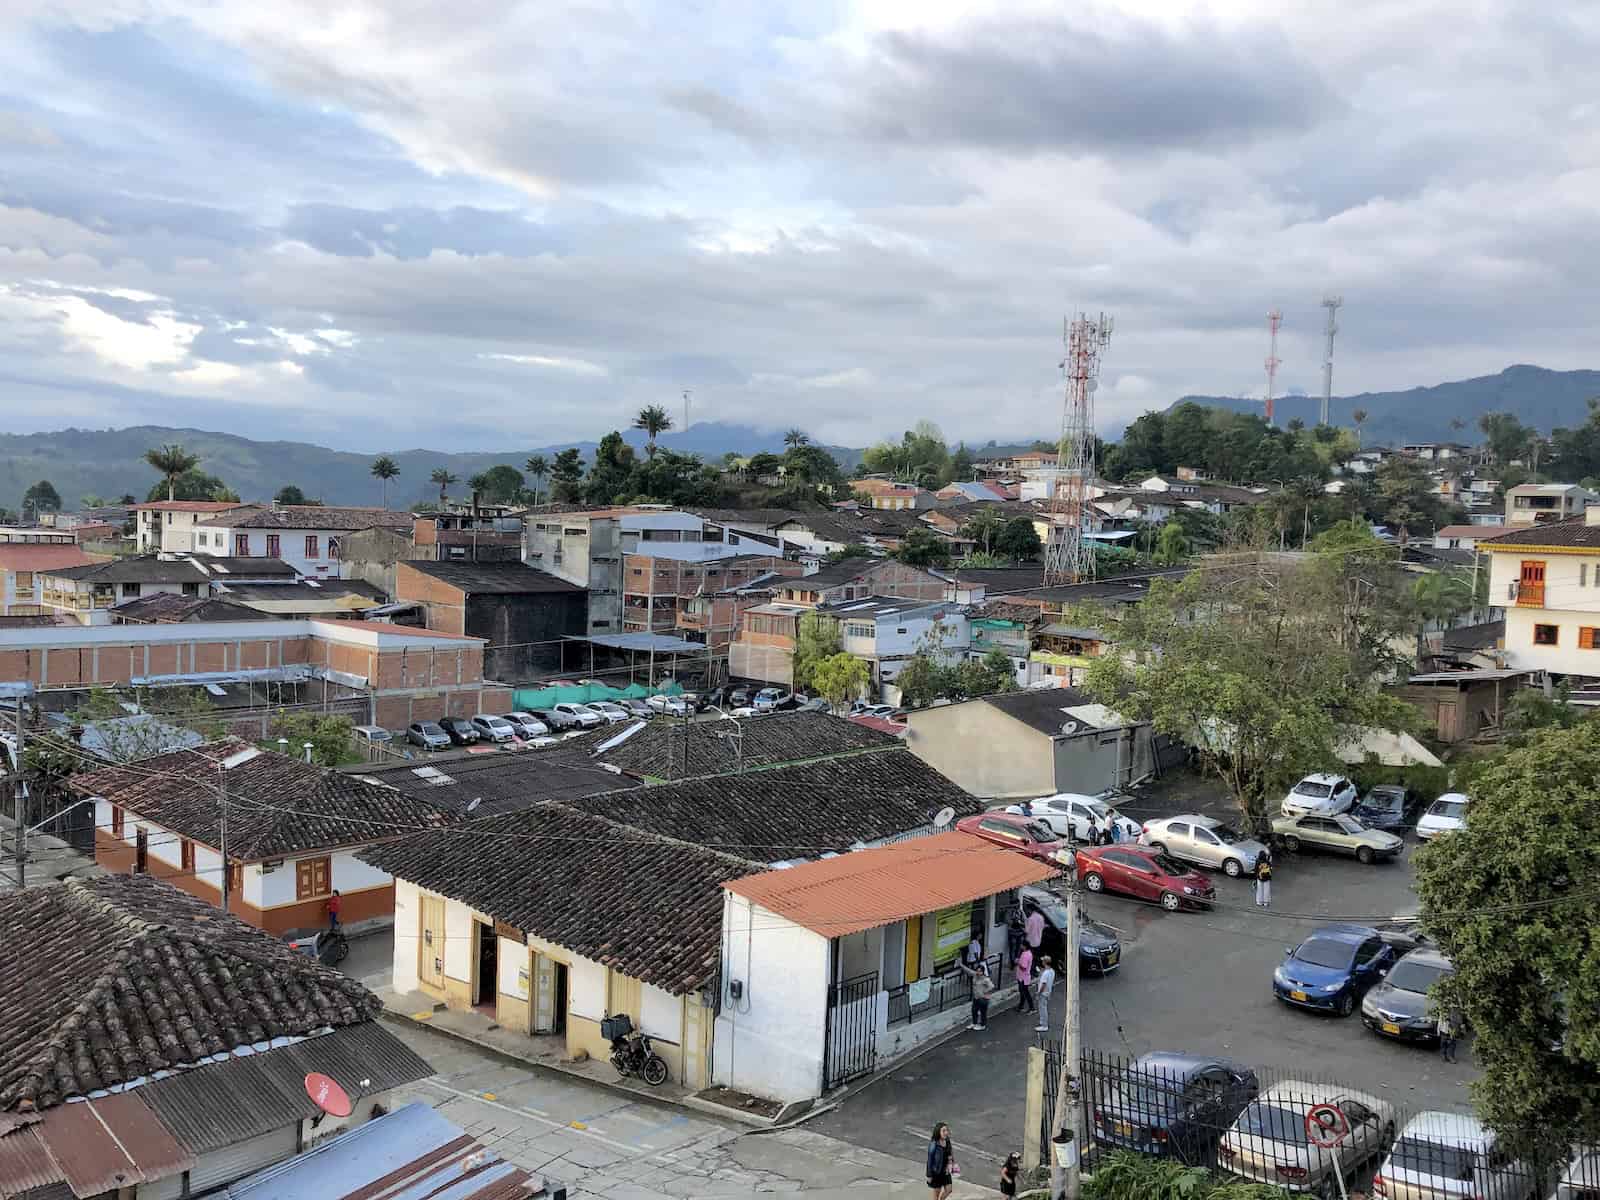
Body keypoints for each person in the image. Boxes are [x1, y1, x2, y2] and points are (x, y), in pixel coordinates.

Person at [926, 1123, 956, 1199]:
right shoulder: (934, 1144)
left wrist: (951, 1163)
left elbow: (950, 1153)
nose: (946, 1132)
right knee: (936, 1195)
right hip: (936, 1172)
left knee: (949, 1189)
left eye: (947, 1130)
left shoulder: (947, 1141)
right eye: (943, 1131)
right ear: (938, 1132)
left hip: (945, 1171)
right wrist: (929, 1175)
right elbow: (929, 1160)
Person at [1033, 955, 1056, 1034]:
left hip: (1043, 993)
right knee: (1043, 1007)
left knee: (1042, 1009)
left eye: (1043, 961)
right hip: (1048, 992)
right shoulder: (1052, 971)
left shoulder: (1045, 973)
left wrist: (1038, 993)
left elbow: (1043, 984)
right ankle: (1042, 1022)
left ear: (1044, 962)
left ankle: (1044, 1025)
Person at [969, 962, 994, 1031]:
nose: (978, 972)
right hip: (976, 997)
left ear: (983, 972)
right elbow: (968, 971)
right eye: (977, 970)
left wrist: (985, 992)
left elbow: (992, 986)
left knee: (983, 1012)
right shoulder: (975, 976)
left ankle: (983, 1025)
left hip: (983, 999)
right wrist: (961, 965)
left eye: (980, 971)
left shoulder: (985, 979)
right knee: (974, 1011)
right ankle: (974, 1023)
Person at [1015, 945, 1035, 1015]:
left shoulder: (1025, 955)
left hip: (1023, 978)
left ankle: (1032, 1008)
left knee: (1025, 993)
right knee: (1023, 992)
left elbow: (1024, 967)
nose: (1020, 946)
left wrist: (1018, 962)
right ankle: (1021, 1006)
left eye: (1022, 945)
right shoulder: (1028, 953)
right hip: (1023, 977)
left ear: (1025, 946)